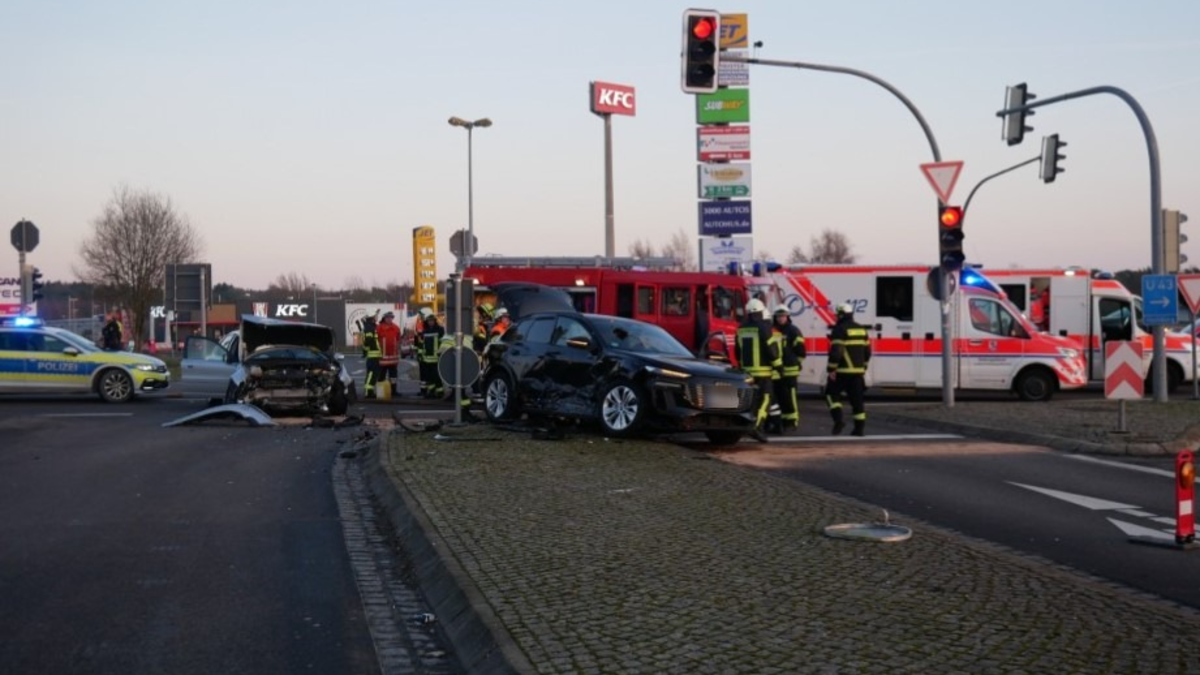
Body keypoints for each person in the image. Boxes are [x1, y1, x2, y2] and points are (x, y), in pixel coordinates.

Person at [735, 298, 780, 442]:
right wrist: (779, 366)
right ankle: (757, 426)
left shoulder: (741, 328)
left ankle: (746, 425)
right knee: (766, 399)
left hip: (747, 372)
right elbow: (771, 349)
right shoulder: (764, 327)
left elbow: (737, 351)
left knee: (750, 400)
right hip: (763, 371)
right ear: (761, 312)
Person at [825, 303, 872, 437]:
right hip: (857, 373)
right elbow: (868, 352)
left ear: (840, 314)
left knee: (830, 394)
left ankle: (838, 420)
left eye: (836, 315)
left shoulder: (839, 329)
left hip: (842, 371)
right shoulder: (862, 329)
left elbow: (836, 352)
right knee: (857, 401)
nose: (835, 317)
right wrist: (863, 367)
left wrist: (831, 369)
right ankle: (859, 429)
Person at [772, 305, 806, 433]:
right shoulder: (773, 330)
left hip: (790, 369)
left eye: (783, 316)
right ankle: (782, 420)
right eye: (779, 316)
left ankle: (793, 421)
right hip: (777, 370)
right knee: (780, 396)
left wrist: (797, 363)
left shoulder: (793, 331)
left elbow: (801, 351)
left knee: (791, 397)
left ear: (788, 316)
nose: (781, 318)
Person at [419, 309, 446, 399]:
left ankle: (440, 392)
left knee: (437, 376)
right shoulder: (425, 331)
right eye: (429, 321)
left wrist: (441, 353)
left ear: (435, 321)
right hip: (427, 358)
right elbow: (422, 344)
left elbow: (443, 342)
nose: (431, 322)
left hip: (436, 358)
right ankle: (431, 392)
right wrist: (421, 356)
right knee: (429, 377)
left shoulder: (440, 330)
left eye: (432, 320)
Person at [377, 311, 401, 391]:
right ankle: (380, 391)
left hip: (393, 358)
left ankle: (393, 391)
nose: (389, 319)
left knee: (393, 376)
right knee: (381, 376)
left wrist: (398, 353)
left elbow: (398, 341)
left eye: (390, 317)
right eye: (387, 317)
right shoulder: (379, 328)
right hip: (382, 357)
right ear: (384, 318)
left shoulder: (396, 328)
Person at [361, 309, 382, 399]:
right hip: (373, 355)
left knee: (373, 374)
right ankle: (368, 391)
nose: (377, 317)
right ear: (372, 317)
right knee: (371, 374)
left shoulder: (371, 326)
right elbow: (368, 342)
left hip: (375, 354)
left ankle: (370, 391)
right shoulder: (369, 328)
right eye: (375, 316)